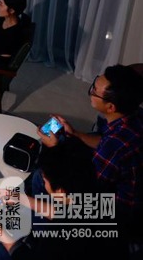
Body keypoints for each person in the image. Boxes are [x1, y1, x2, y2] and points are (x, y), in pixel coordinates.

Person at [36, 64, 143, 244]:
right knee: (68, 144)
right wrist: (75, 133)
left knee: (42, 178)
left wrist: (54, 150)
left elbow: (86, 190)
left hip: (118, 213)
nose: (90, 92)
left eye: (94, 91)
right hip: (119, 188)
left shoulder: (113, 147)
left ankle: (45, 234)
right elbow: (102, 141)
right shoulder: (132, 116)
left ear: (110, 107)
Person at [0, 141, 121, 260]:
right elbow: (62, 214)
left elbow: (23, 256)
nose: (44, 181)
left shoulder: (57, 240)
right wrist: (20, 198)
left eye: (45, 180)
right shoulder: (101, 199)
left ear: (60, 191)